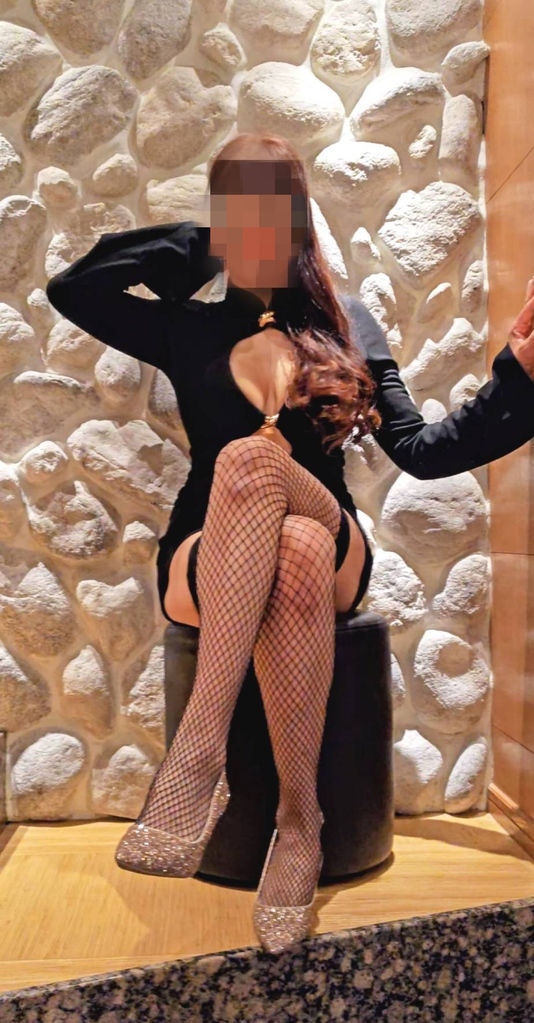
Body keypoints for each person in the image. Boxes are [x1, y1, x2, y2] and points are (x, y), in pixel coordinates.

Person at [45, 132, 534, 955]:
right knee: (288, 540)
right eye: (237, 209)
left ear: (299, 219)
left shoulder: (349, 323)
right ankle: (301, 822)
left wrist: (519, 374)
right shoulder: (188, 327)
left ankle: (197, 759)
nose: (256, 225)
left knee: (258, 468)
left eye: (272, 209)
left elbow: (424, 451)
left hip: (332, 529)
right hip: (208, 547)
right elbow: (73, 288)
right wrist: (206, 243)